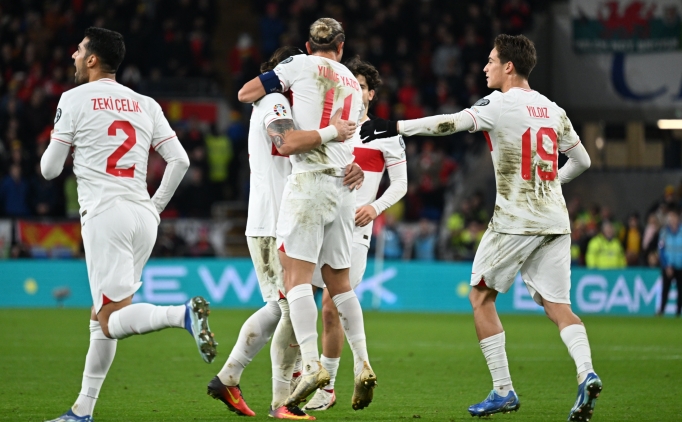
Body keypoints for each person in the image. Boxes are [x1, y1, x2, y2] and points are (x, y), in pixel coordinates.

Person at [361, 34, 601, 420]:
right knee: (559, 306)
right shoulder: (552, 109)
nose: (485, 67)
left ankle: (503, 390)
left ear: (509, 66)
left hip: (515, 221)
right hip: (555, 219)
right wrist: (550, 182)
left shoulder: (499, 104)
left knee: (480, 298)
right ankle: (586, 372)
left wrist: (395, 126)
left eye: (491, 61)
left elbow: (450, 123)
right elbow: (582, 161)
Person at [42, 28, 213, 422]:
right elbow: (181, 160)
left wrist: (61, 140)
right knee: (100, 316)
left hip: (106, 215)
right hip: (142, 216)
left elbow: (49, 170)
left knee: (110, 320)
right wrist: (155, 207)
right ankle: (82, 410)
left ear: (92, 59)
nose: (72, 55)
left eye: (78, 49)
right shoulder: (145, 103)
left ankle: (180, 315)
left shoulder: (73, 98)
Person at [208, 46, 362, 420]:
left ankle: (230, 378)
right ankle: (281, 402)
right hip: (273, 219)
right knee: (290, 309)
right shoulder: (275, 102)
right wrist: (332, 132)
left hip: (290, 217)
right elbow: (287, 143)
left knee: (283, 309)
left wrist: (349, 165)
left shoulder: (289, 107)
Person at [238, 18, 378, 411]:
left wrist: (277, 82)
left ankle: (313, 364)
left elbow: (246, 92)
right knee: (340, 284)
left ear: (307, 45)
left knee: (297, 280)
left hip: (309, 182)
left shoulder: (299, 65)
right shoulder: (352, 80)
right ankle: (363, 362)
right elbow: (349, 137)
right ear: (341, 46)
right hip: (343, 190)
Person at [304, 57, 407, 412]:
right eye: (350, 84)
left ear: (371, 93)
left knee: (331, 305)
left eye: (361, 86)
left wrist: (374, 208)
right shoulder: (329, 128)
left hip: (354, 230)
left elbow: (401, 184)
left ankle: (329, 386)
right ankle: (301, 376)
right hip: (317, 223)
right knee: (300, 304)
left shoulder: (385, 133)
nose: (355, 91)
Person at [657, 209, 682, 317]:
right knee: (665, 289)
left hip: (680, 266)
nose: (673, 220)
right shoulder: (664, 232)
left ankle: (678, 312)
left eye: (674, 217)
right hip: (668, 266)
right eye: (670, 218)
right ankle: (662, 310)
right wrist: (666, 265)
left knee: (680, 290)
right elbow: (661, 249)